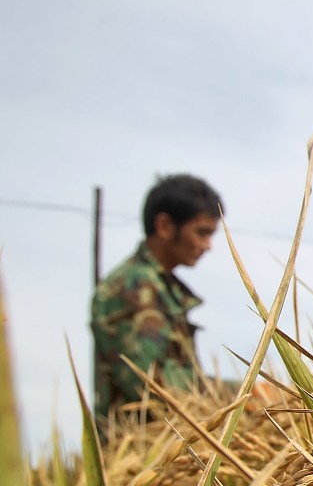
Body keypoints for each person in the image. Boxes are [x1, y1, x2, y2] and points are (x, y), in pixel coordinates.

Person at [91, 174, 223, 434]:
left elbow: (185, 385)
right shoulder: (134, 288)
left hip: (166, 446)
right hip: (140, 452)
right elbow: (153, 390)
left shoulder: (160, 287)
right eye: (202, 233)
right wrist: (236, 401)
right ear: (164, 226)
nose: (208, 246)